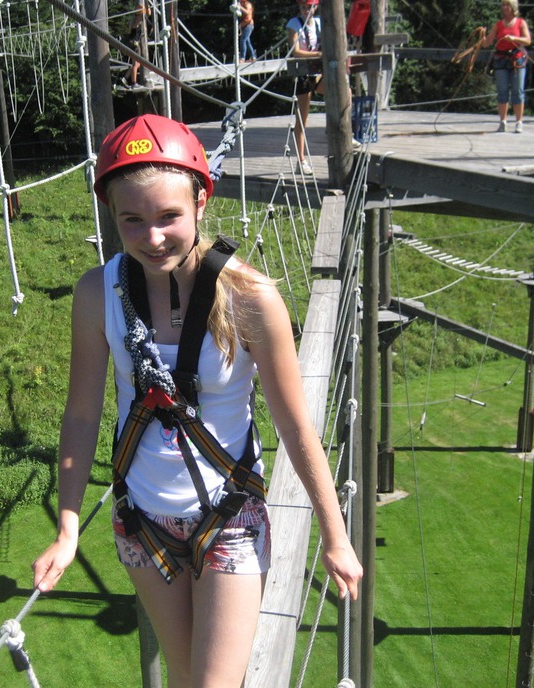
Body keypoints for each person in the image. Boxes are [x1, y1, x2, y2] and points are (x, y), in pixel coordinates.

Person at [32, 114, 363, 688]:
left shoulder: (249, 298)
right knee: (185, 679)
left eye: (169, 216)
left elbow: (294, 426)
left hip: (228, 514)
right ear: (110, 212)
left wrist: (335, 535)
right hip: (142, 518)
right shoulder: (97, 293)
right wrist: (68, 528)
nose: (152, 237)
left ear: (201, 202)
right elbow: (81, 414)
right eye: (132, 220)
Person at [286, 0, 325, 175]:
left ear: (315, 7)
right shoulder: (294, 24)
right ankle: (301, 160)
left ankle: (345, 132)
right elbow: (296, 51)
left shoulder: (320, 23)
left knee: (343, 92)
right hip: (303, 73)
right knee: (302, 119)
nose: (306, 10)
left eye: (309, 7)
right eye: (303, 7)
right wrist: (319, 54)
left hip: (318, 72)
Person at [483, 0, 531, 133]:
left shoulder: (520, 23)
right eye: (503, 5)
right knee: (502, 91)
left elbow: (527, 40)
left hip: (517, 60)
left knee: (518, 91)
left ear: (513, 7)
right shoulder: (498, 25)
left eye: (507, 5)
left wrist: (514, 39)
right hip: (501, 60)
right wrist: (482, 36)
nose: (505, 7)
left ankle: (519, 122)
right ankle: (503, 122)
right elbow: (487, 43)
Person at [122, 0, 148, 88]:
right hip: (134, 44)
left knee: (137, 64)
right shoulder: (135, 23)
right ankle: (134, 82)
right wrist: (140, 11)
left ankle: (126, 78)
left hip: (133, 44)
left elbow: (148, 13)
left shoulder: (135, 22)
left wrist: (147, 4)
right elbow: (141, 15)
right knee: (136, 64)